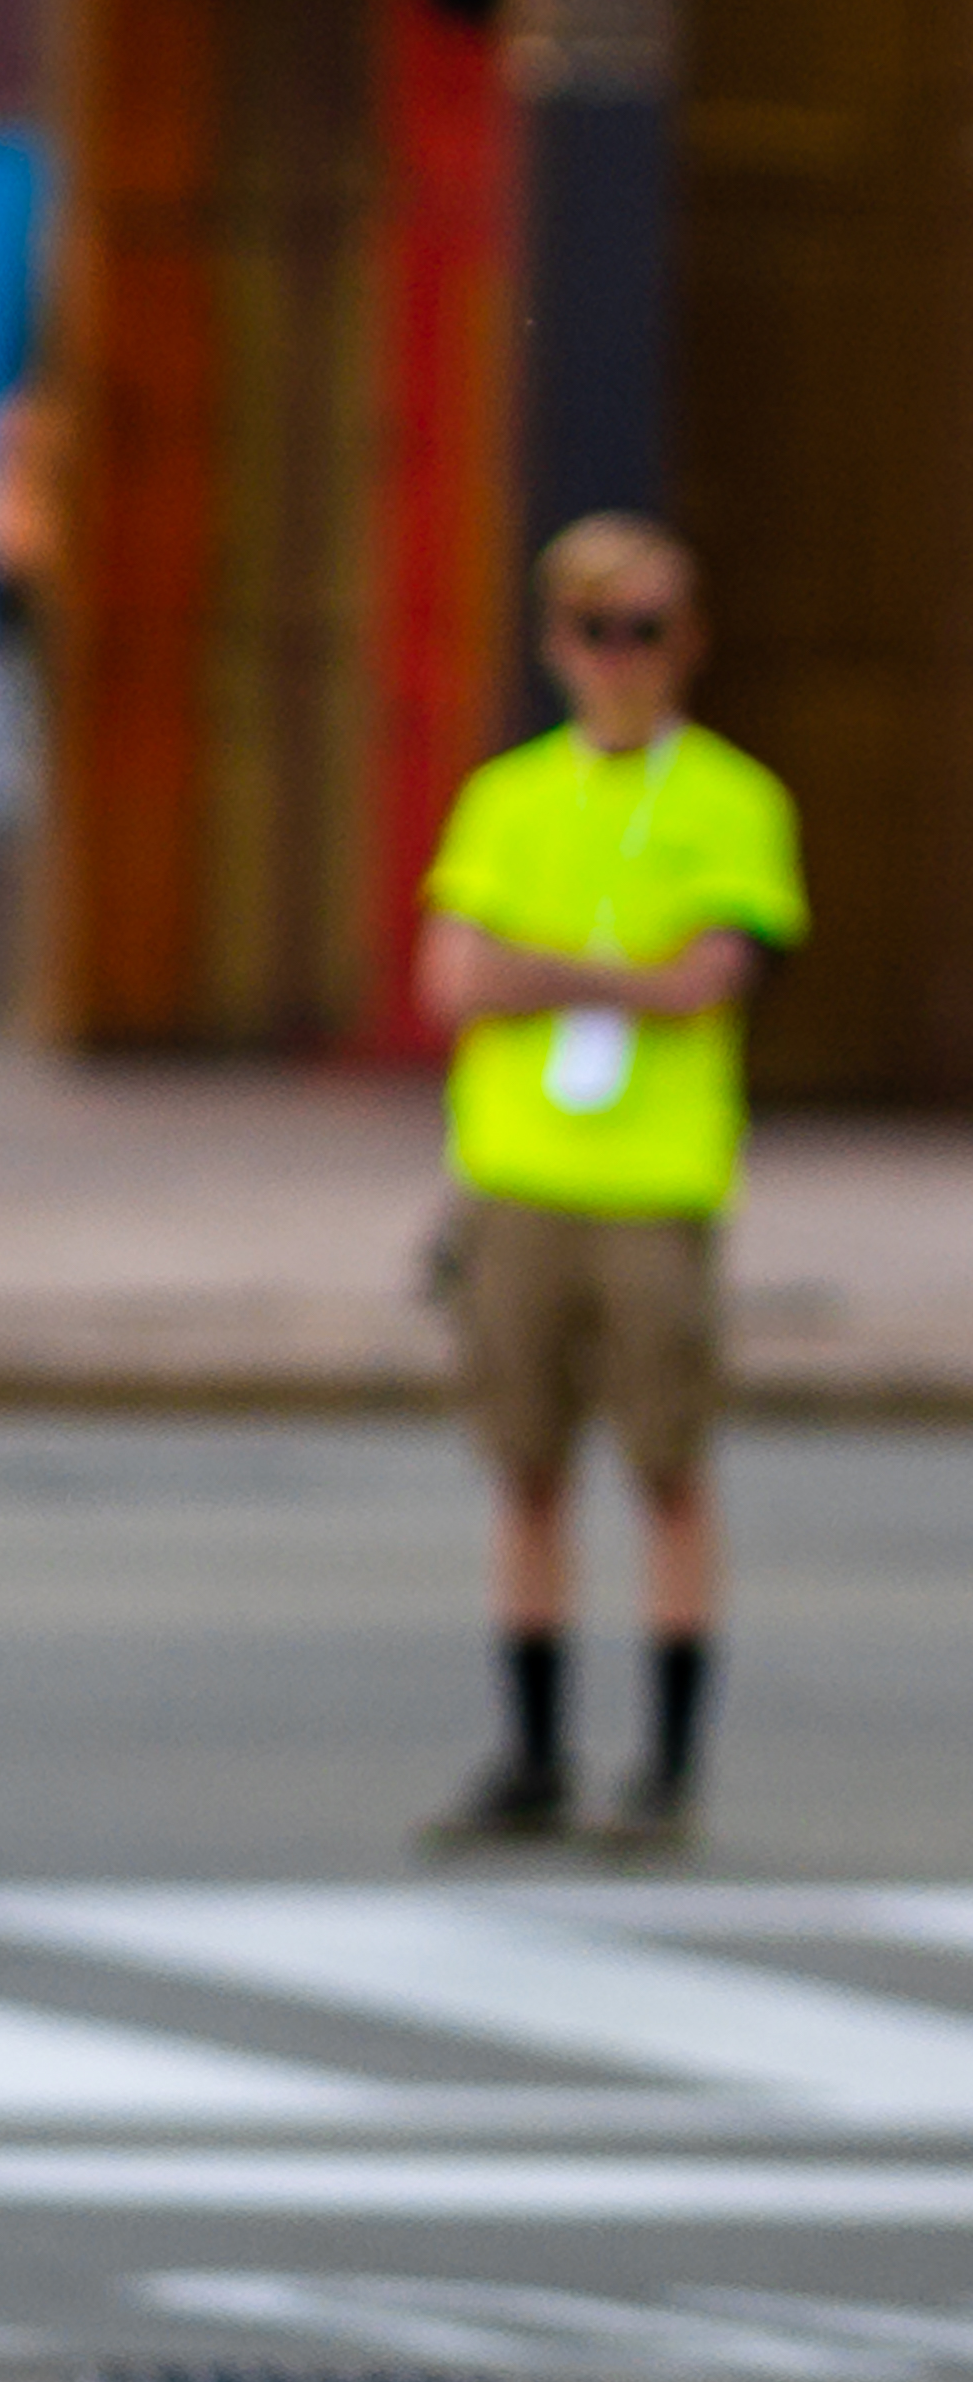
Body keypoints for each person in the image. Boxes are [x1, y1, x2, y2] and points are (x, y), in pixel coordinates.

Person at [411, 514, 804, 1850]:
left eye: (647, 631)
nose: (622, 660)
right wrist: (618, 977)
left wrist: (554, 974)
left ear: (685, 644)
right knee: (525, 1472)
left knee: (668, 1470)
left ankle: (671, 1766)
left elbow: (713, 980)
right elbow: (453, 981)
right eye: (597, 632)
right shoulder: (509, 797)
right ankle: (533, 1751)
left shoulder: (734, 800)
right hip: (516, 1176)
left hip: (654, 1184)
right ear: (557, 645)